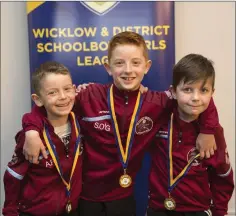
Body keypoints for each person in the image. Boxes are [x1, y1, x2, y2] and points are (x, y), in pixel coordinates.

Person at [21, 32, 219, 216]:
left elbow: (196, 100)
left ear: (147, 66)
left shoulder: (157, 102)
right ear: (108, 67)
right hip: (85, 196)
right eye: (119, 63)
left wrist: (208, 130)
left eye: (135, 63)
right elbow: (50, 106)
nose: (128, 70)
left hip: (123, 197)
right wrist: (31, 131)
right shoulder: (90, 95)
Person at [147, 54, 234, 216]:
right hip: (158, 208)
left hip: (197, 210)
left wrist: (220, 211)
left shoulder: (213, 132)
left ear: (212, 93)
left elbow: (222, 176)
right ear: (173, 91)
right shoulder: (159, 117)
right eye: (187, 89)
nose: (195, 98)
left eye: (204, 90)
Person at [3, 62, 83, 216]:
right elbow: (14, 176)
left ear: (74, 90)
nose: (63, 97)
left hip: (72, 209)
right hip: (35, 212)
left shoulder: (80, 122)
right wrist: (10, 211)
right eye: (52, 92)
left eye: (67, 89)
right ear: (38, 99)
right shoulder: (30, 137)